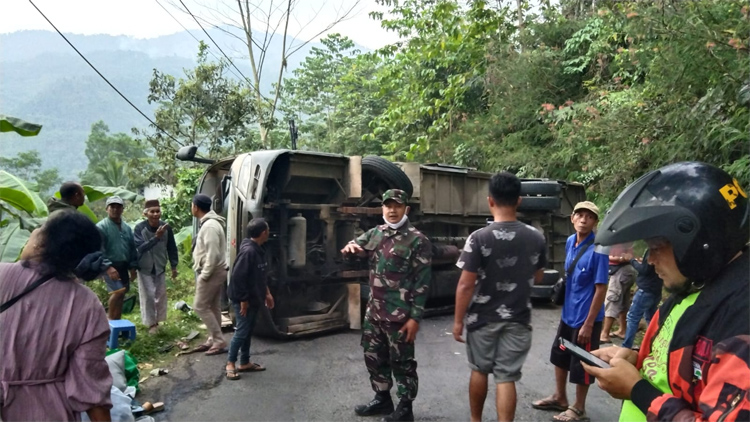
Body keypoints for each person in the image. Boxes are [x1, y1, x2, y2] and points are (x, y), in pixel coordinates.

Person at [582, 162, 749, 421]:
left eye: (657, 246)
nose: (649, 260)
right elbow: (685, 374)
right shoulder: (694, 288)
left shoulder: (740, 318)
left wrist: (637, 390)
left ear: (698, 242)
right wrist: (636, 360)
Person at [452, 172, 547, 422]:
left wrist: (458, 321)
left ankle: (476, 420)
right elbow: (538, 277)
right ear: (519, 201)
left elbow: (465, 285)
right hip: (518, 319)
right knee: (506, 377)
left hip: (482, 319)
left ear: (490, 201)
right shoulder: (536, 237)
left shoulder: (479, 238)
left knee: (480, 370)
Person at [0, 211, 112, 421]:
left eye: (40, 227)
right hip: (52, 412)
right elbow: (91, 386)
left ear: (42, 243)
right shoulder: (87, 304)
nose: (33, 231)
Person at [342, 189, 431, 422]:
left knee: (402, 361)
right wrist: (351, 247)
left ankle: (405, 407)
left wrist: (415, 318)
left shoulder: (418, 240)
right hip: (374, 312)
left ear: (406, 209)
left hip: (400, 316)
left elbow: (422, 284)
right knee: (373, 355)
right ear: (382, 208)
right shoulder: (376, 233)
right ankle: (382, 398)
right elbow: (355, 245)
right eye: (388, 206)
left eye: (397, 206)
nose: (392, 210)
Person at [532, 201, 609, 422]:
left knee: (582, 363)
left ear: (595, 222)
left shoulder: (599, 249)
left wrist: (588, 323)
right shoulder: (569, 243)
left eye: (590, 216)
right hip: (568, 314)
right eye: (580, 215)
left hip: (586, 319)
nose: (584, 219)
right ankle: (560, 397)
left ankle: (579, 408)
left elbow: (601, 288)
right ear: (572, 218)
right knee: (560, 353)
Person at [225, 218, 275, 380]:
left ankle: (244, 362)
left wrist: (267, 293)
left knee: (247, 330)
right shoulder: (249, 252)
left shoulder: (258, 249)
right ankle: (230, 363)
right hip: (242, 298)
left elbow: (260, 276)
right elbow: (238, 278)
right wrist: (243, 301)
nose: (268, 233)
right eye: (267, 230)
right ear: (263, 233)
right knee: (242, 331)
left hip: (253, 297)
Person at [191, 193, 229, 356]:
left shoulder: (210, 226)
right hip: (216, 270)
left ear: (196, 207)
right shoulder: (210, 224)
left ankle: (219, 341)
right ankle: (213, 339)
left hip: (212, 272)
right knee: (213, 307)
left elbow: (212, 254)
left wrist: (205, 275)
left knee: (199, 306)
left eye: (192, 205)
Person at [133, 199, 178, 334]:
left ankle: (159, 320)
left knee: (160, 295)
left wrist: (174, 266)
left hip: (160, 266)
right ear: (145, 214)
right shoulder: (140, 228)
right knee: (148, 296)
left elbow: (172, 248)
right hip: (145, 267)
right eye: (152, 211)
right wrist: (156, 238)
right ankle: (151, 323)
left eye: (157, 211)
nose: (155, 214)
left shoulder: (166, 227)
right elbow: (140, 248)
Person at [97, 196, 138, 320]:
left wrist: (133, 267)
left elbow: (132, 248)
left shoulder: (127, 228)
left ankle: (117, 322)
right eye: (112, 207)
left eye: (118, 207)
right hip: (110, 265)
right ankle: (109, 321)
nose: (115, 209)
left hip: (123, 265)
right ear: (107, 209)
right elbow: (99, 249)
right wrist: (108, 267)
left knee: (122, 293)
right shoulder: (101, 227)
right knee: (118, 291)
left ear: (122, 209)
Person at [620, 251, 663, 349]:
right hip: (656, 290)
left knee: (632, 318)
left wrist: (631, 260)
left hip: (645, 290)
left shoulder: (652, 250)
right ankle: (655, 344)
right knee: (651, 319)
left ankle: (626, 346)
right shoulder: (661, 249)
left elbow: (644, 270)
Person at [599, 245, 637, 344]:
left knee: (612, 300)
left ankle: (604, 334)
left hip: (621, 271)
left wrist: (609, 257)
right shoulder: (626, 237)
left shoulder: (618, 240)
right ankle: (622, 330)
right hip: (628, 271)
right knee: (623, 301)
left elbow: (621, 257)